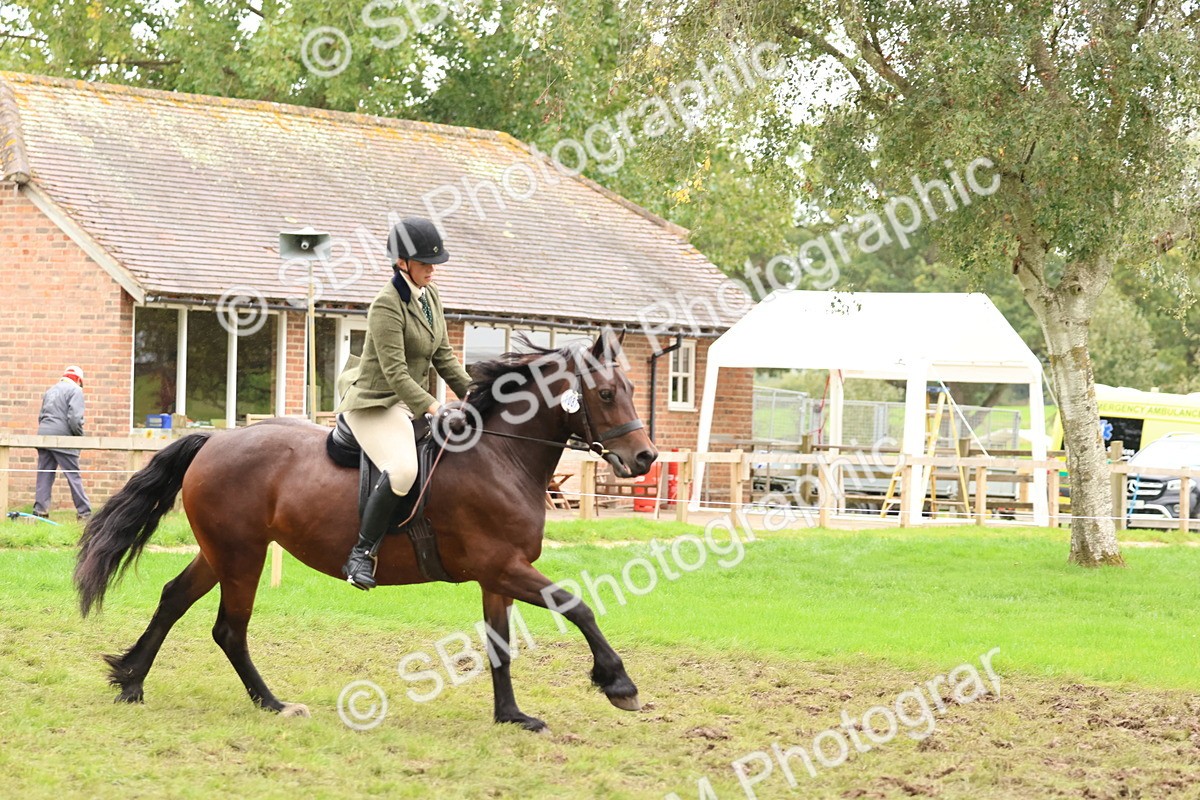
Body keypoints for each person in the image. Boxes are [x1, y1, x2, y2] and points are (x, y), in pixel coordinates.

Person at [335, 217, 473, 590]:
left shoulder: (431, 297)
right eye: (425, 263)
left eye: (434, 262)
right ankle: (361, 554)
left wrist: (477, 394)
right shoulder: (385, 304)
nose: (433, 269)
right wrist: (433, 406)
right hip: (376, 402)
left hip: (409, 401)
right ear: (402, 262)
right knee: (402, 471)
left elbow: (443, 356)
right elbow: (395, 372)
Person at [34, 365, 92, 521]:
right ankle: (84, 513)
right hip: (62, 437)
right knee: (73, 475)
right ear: (79, 380)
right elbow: (75, 419)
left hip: (43, 435)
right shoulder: (76, 391)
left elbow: (41, 416)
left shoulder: (50, 390)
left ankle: (40, 511)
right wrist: (78, 437)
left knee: (45, 474)